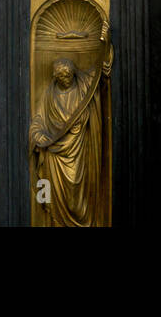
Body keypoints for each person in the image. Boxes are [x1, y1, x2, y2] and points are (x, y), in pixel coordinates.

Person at [29, 50, 112, 227]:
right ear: (56, 77)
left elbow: (97, 72)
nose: (65, 80)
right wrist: (39, 135)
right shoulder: (49, 95)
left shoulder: (83, 86)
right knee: (56, 197)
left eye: (68, 77)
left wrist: (105, 49)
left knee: (80, 196)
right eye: (61, 77)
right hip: (55, 156)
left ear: (74, 74)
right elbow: (38, 121)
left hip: (82, 151)